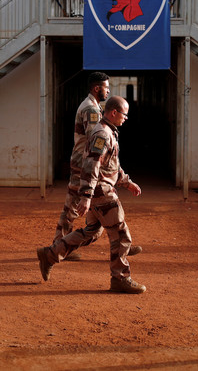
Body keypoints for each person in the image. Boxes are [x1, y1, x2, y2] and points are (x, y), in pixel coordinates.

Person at [37, 96, 146, 294]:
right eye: (124, 114)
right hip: (101, 192)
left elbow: (110, 165)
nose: (126, 118)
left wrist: (126, 182)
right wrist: (86, 196)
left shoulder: (108, 131)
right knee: (121, 235)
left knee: (92, 232)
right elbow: (91, 165)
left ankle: (51, 254)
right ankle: (120, 278)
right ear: (114, 113)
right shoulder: (102, 134)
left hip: (99, 190)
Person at [52, 72, 141, 260]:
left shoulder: (92, 106)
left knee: (94, 210)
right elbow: (96, 144)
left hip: (85, 164)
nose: (108, 91)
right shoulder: (92, 110)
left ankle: (120, 242)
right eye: (106, 88)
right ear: (96, 88)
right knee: (77, 206)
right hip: (85, 166)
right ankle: (59, 246)